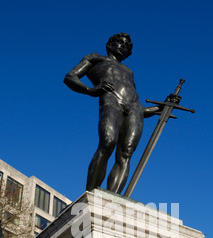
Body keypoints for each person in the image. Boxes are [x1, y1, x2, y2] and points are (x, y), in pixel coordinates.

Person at [64, 33, 160, 194]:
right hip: (111, 101)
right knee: (107, 142)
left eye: (128, 46)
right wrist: (90, 90)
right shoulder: (96, 58)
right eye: (120, 42)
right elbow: (70, 77)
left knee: (126, 152)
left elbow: (141, 107)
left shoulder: (129, 72)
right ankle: (91, 194)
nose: (124, 46)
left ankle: (113, 198)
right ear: (110, 45)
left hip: (134, 109)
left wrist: (161, 108)